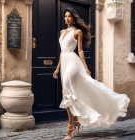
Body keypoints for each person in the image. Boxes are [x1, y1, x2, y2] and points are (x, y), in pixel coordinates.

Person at [53, 7, 130, 140]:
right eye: (65, 16)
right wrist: (57, 68)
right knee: (67, 95)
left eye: (70, 16)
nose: (67, 18)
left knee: (68, 96)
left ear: (74, 18)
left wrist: (86, 67)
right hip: (64, 63)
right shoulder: (62, 32)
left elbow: (81, 51)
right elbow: (62, 51)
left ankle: (70, 128)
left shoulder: (77, 32)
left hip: (73, 63)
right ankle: (76, 120)